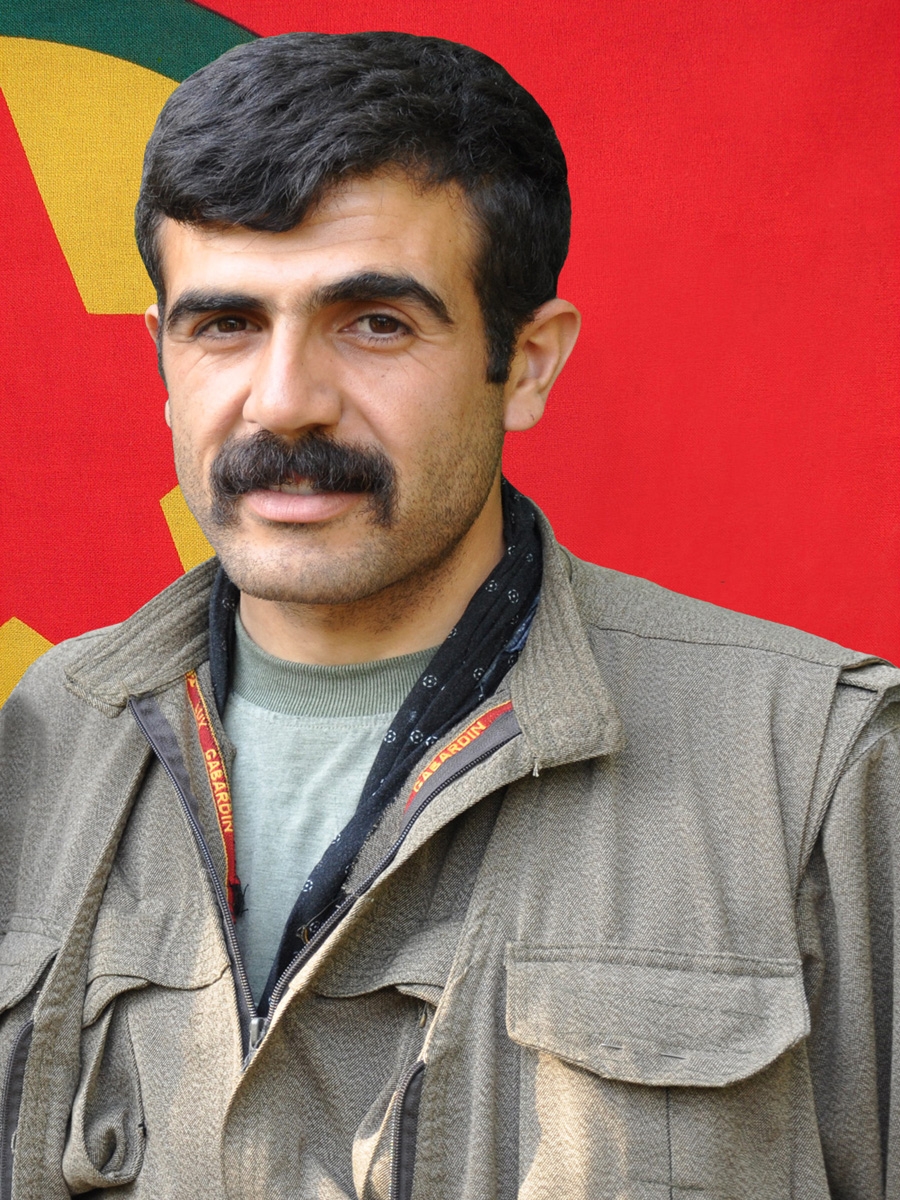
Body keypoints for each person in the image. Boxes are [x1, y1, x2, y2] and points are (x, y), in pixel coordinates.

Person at [0, 29, 897, 1200]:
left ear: (528, 362)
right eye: (225, 325)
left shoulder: (818, 771)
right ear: (163, 359)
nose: (285, 401)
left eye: (375, 322)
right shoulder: (45, 741)